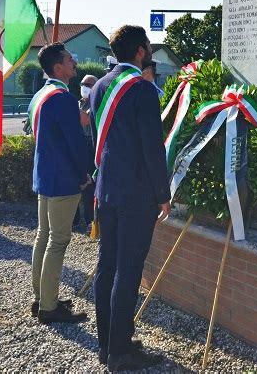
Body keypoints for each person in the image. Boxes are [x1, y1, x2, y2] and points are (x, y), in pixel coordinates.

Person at [90, 25, 171, 371]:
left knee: (106, 266)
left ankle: (107, 343)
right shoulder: (143, 90)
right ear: (140, 51)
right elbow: (153, 149)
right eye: (148, 48)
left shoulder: (99, 87)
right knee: (127, 270)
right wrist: (163, 195)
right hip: (136, 195)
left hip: (105, 189)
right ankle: (120, 352)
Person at [29, 43, 91, 324]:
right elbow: (74, 142)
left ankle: (42, 298)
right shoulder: (63, 98)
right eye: (69, 59)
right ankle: (50, 308)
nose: (74, 63)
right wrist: (84, 174)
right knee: (58, 241)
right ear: (58, 68)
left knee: (44, 237)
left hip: (45, 175)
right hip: (63, 178)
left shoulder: (42, 94)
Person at [76, 74, 98, 229]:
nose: (85, 87)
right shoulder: (77, 104)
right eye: (83, 84)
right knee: (75, 183)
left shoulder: (98, 104)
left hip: (91, 147)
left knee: (90, 186)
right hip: (77, 147)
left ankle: (91, 220)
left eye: (89, 85)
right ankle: (74, 220)